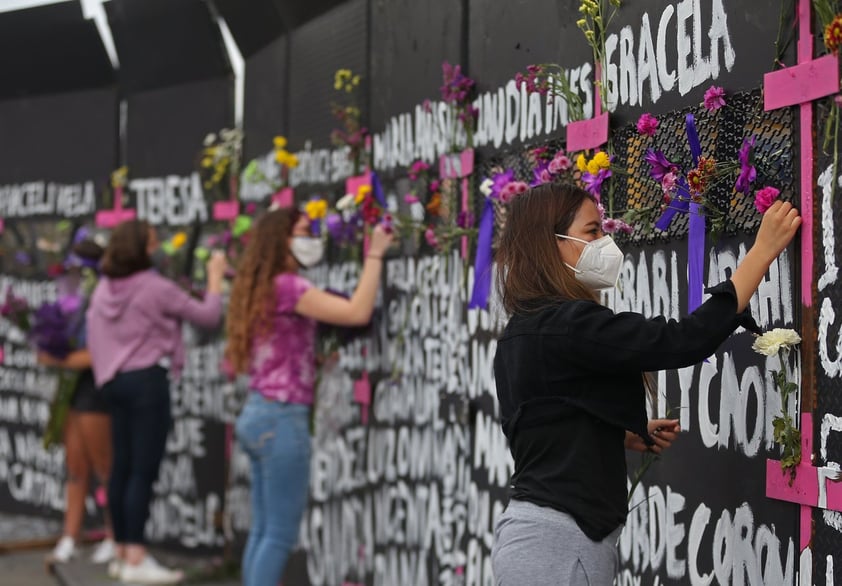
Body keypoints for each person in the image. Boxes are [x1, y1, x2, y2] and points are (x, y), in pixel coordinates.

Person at [490, 183, 801, 586]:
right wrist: (760, 253)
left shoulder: (523, 331)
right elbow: (682, 341)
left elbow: (543, 422)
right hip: (558, 545)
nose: (605, 241)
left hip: (536, 537)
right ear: (553, 244)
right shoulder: (568, 326)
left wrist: (616, 433)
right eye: (592, 231)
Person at [224, 207, 393, 586]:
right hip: (281, 419)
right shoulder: (288, 285)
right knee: (279, 535)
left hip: (258, 414)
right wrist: (376, 252)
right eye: (302, 231)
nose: (310, 238)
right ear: (280, 240)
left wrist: (312, 358)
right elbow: (356, 311)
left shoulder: (263, 286)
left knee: (263, 530)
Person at [86, 219, 226, 585]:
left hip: (113, 382)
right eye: (152, 242)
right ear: (143, 248)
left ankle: (120, 550)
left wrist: (107, 373)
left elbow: (95, 336)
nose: (158, 246)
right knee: (142, 471)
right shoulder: (155, 288)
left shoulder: (103, 289)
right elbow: (208, 316)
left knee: (122, 467)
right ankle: (136, 556)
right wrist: (215, 280)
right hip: (148, 381)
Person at [42, 238, 115, 566]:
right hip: (71, 392)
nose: (70, 278)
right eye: (68, 271)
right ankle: (70, 535)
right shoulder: (65, 306)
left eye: (77, 271)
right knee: (75, 466)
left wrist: (63, 360)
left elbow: (102, 354)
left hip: (98, 392)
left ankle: (117, 535)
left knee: (106, 466)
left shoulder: (105, 302)